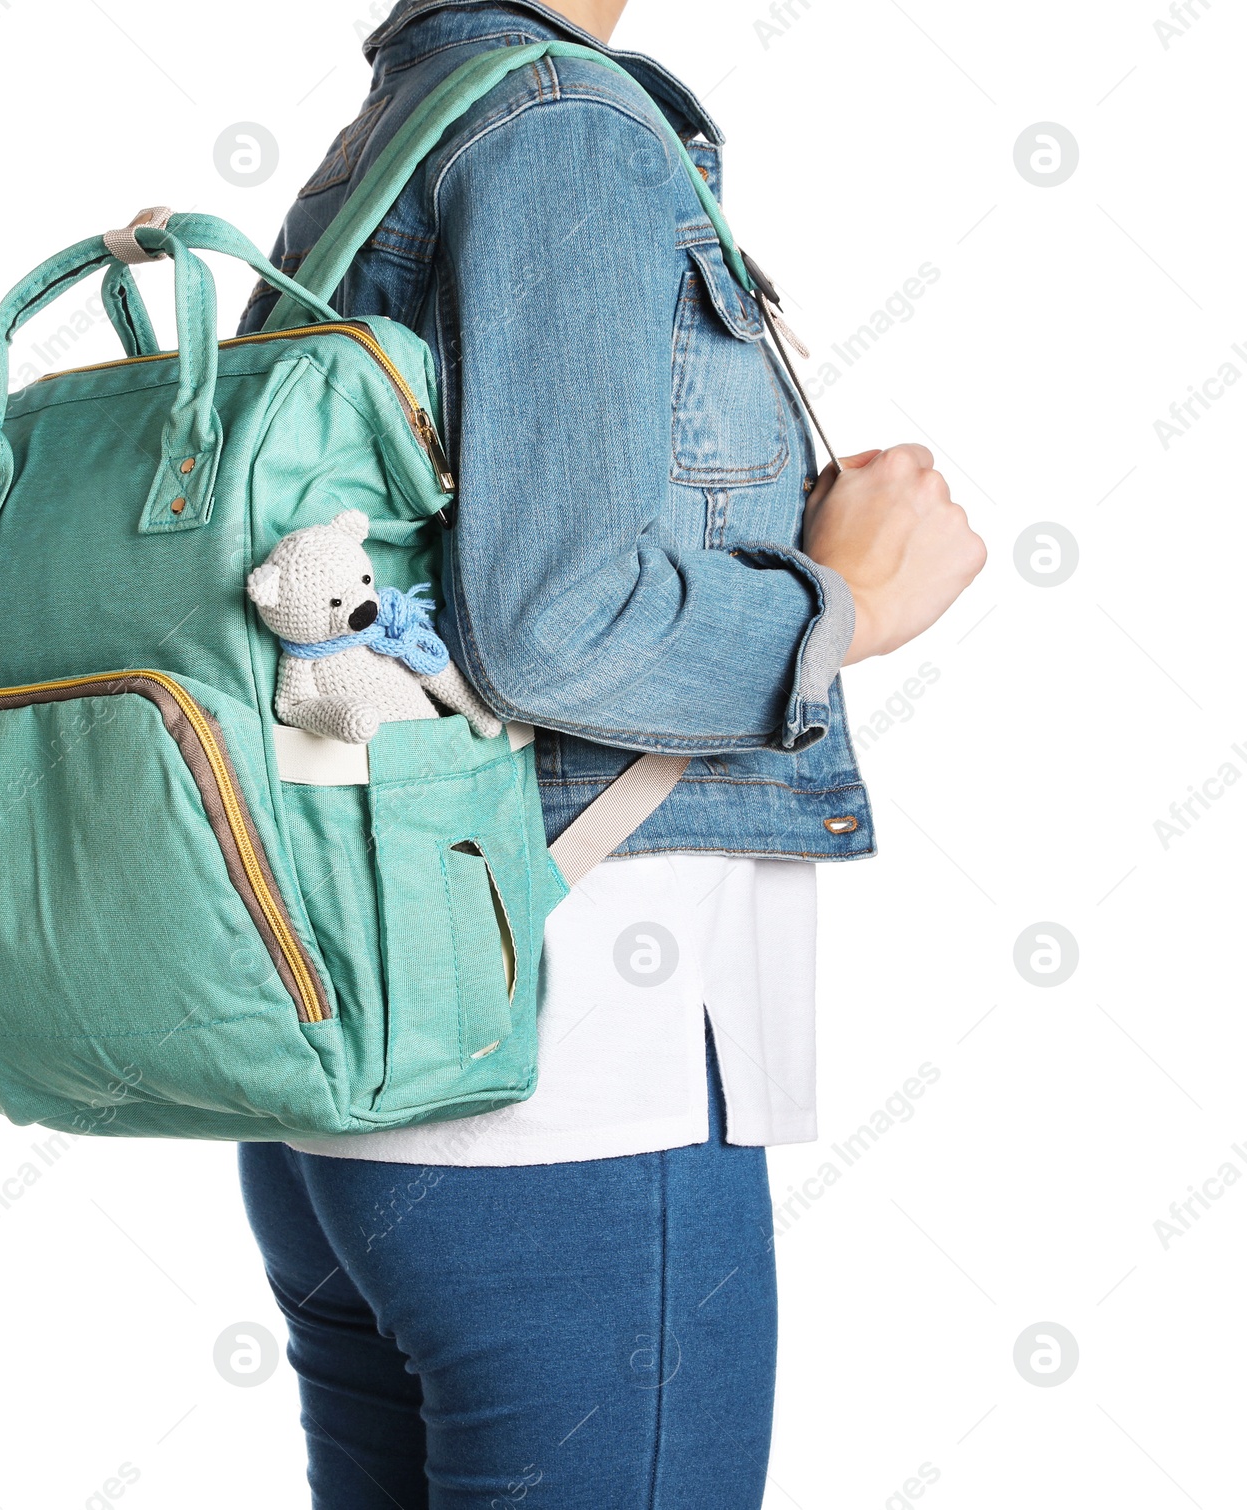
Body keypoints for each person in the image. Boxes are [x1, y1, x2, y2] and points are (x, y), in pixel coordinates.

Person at [234, 2, 986, 1504]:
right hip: (565, 1076)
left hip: (358, 1068)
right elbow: (561, 622)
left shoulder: (405, 117)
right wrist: (847, 607)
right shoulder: (555, 122)